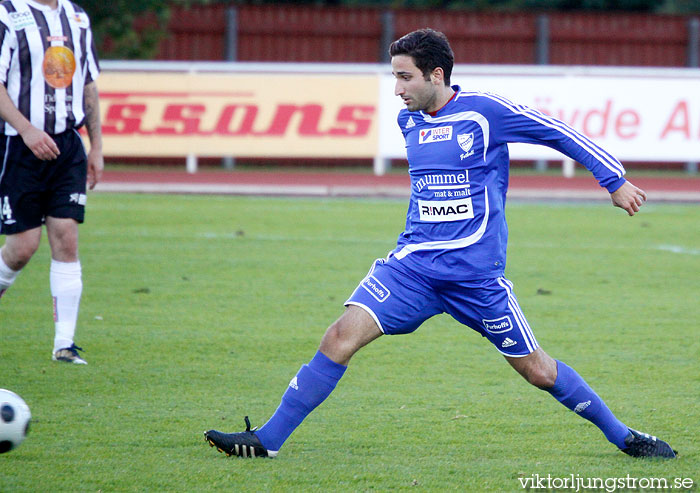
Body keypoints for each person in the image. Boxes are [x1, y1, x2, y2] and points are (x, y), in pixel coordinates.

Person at [205, 28, 676, 459]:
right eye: (394, 77)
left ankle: (625, 437)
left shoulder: (485, 112)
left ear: (436, 74)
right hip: (411, 269)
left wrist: (613, 181)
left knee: (539, 371)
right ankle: (267, 441)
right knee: (339, 337)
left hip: (475, 278)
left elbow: (556, 131)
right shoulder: (408, 122)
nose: (397, 88)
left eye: (404, 77)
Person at [0, 0, 103, 365]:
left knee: (66, 235)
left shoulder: (77, 17)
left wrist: (96, 147)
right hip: (20, 145)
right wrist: (27, 130)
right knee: (23, 247)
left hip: (68, 143)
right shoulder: (8, 14)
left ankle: (64, 344)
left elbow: (88, 84)